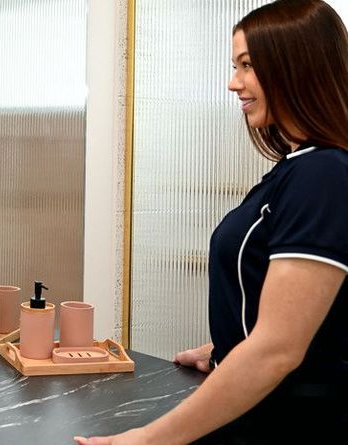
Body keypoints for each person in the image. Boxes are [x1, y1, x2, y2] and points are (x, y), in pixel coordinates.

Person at [75, 1, 348, 443]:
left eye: (248, 65)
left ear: (296, 65)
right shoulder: (296, 168)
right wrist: (226, 346)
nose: (233, 82)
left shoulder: (323, 173)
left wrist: (148, 438)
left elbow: (278, 349)